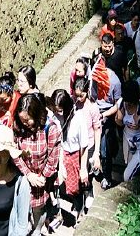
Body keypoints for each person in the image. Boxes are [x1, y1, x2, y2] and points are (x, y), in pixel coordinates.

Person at [12, 91, 60, 228]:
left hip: (41, 179)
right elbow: (14, 153)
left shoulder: (50, 129)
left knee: (38, 209)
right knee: (21, 207)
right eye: (22, 120)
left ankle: (37, 229)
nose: (25, 123)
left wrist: (41, 177)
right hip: (22, 177)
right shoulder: (18, 127)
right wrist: (28, 174)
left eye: (27, 120)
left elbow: (52, 158)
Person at [48, 90, 88, 228]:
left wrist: (83, 168)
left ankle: (79, 212)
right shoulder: (55, 118)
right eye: (56, 110)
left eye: (60, 110)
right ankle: (60, 213)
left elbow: (84, 147)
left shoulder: (78, 119)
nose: (58, 113)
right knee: (59, 185)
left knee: (76, 188)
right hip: (62, 153)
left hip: (75, 154)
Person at [87, 52, 122, 189]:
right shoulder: (93, 78)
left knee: (105, 148)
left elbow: (118, 103)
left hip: (108, 115)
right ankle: (94, 164)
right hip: (95, 113)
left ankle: (107, 176)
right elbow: (91, 97)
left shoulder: (114, 81)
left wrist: (105, 115)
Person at [71, 77, 100, 216]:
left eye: (81, 95)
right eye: (76, 95)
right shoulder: (74, 105)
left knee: (85, 176)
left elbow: (97, 129)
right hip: (76, 146)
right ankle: (80, 204)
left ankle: (88, 197)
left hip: (89, 146)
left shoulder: (92, 108)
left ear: (87, 92)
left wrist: (96, 153)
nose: (79, 98)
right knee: (77, 176)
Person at [115, 80, 140, 181]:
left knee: (127, 175)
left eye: (130, 101)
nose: (128, 104)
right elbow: (119, 123)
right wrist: (119, 118)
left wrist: (139, 124)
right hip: (129, 142)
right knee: (131, 172)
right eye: (127, 100)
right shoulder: (122, 103)